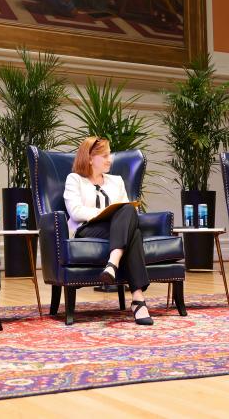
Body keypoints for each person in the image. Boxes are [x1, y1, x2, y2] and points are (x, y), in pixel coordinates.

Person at [63, 137, 153, 325]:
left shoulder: (116, 181)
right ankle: (138, 302)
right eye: (104, 156)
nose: (109, 159)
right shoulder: (75, 180)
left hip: (114, 229)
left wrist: (115, 215)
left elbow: (128, 212)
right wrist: (105, 213)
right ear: (89, 158)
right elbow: (75, 211)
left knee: (129, 211)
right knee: (132, 231)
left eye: (109, 155)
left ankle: (116, 268)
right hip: (87, 229)